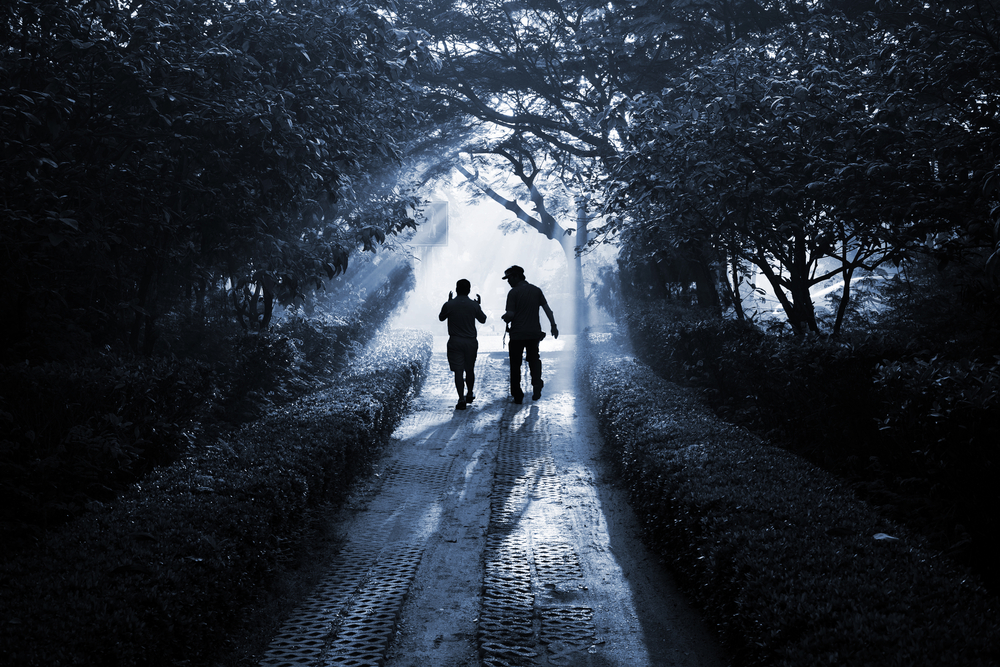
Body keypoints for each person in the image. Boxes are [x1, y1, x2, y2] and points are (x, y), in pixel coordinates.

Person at [501, 265, 558, 404]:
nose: (508, 281)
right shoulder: (536, 290)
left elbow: (511, 314)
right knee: (534, 359)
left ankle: (517, 394)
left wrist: (505, 318)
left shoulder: (513, 293)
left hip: (517, 335)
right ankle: (537, 382)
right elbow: (548, 310)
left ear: (516, 276)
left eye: (509, 278)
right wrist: (553, 325)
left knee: (515, 364)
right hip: (533, 334)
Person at [438, 279, 487, 410]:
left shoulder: (449, 305)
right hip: (470, 342)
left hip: (455, 341)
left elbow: (441, 318)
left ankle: (461, 398)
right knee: (469, 369)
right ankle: (470, 393)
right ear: (469, 290)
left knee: (458, 371)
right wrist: (478, 306)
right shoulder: (474, 305)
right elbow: (483, 320)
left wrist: (448, 302)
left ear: (456, 289)